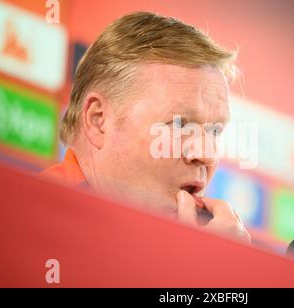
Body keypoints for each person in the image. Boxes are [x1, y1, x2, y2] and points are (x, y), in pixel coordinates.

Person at [41, 12, 250, 243]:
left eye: (214, 131)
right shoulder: (28, 224)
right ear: (98, 120)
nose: (206, 155)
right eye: (180, 124)